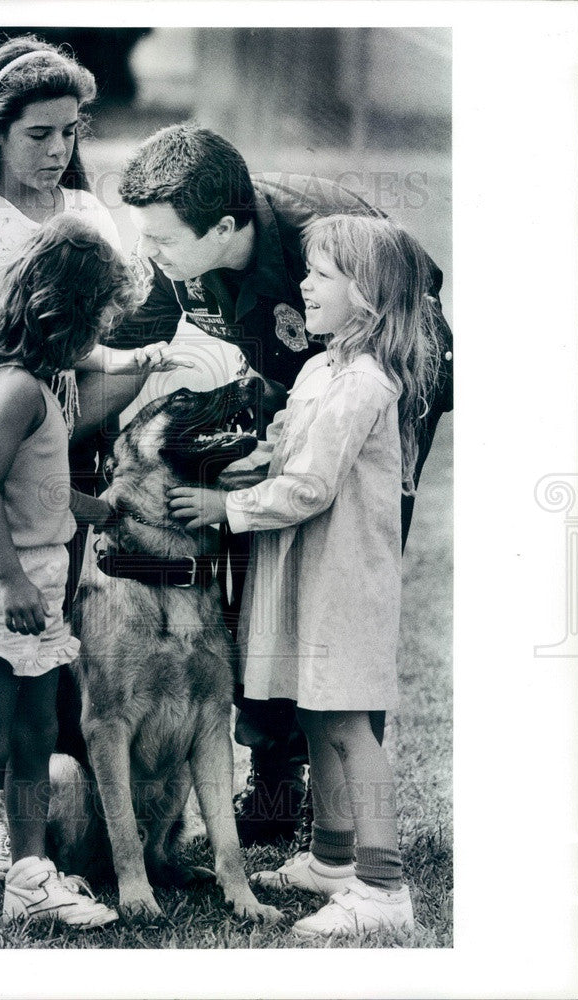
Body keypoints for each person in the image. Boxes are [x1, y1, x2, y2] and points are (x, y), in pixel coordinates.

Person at [116, 124, 453, 844]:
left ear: (228, 228)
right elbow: (127, 339)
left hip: (381, 389)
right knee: (260, 584)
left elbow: (404, 320)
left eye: (163, 242)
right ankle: (274, 783)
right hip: (297, 396)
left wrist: (300, 462)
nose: (150, 255)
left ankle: (351, 802)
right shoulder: (178, 251)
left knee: (339, 592)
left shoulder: (321, 240)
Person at [0, 35, 153, 877]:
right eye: (37, 135)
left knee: (47, 674)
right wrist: (78, 397)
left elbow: (105, 339)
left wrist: (127, 377)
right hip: (2, 453)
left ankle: (50, 845)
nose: (57, 152)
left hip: (74, 464)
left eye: (71, 133)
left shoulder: (89, 216)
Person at [169, 214, 442, 938]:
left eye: (320, 275)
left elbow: (311, 487)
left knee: (349, 724)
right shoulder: (321, 367)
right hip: (307, 569)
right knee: (318, 713)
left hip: (344, 575)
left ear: (368, 294)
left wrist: (223, 506)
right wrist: (240, 460)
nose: (302, 284)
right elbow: (286, 452)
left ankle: (382, 893)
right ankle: (329, 859)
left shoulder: (363, 381)